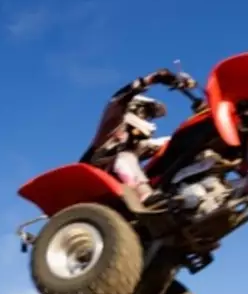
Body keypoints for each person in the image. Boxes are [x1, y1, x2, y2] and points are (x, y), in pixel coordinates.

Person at [80, 68, 197, 206]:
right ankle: (145, 195)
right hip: (91, 179)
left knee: (175, 143)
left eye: (150, 116)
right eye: (145, 113)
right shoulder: (112, 125)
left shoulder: (137, 145)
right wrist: (154, 78)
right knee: (125, 157)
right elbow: (118, 100)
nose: (148, 118)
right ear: (133, 108)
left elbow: (169, 142)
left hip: (119, 192)